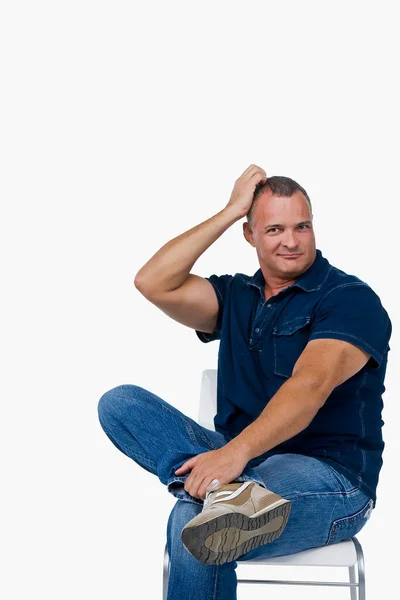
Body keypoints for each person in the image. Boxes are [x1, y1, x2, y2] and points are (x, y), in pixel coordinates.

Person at [97, 164, 391, 600]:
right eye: (273, 229)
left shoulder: (349, 299)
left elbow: (308, 387)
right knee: (119, 403)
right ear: (250, 236)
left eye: (302, 226)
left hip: (331, 478)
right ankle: (228, 495)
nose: (291, 241)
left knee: (192, 524)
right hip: (241, 462)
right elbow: (152, 281)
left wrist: (233, 454)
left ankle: (221, 496)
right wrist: (231, 209)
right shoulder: (236, 296)